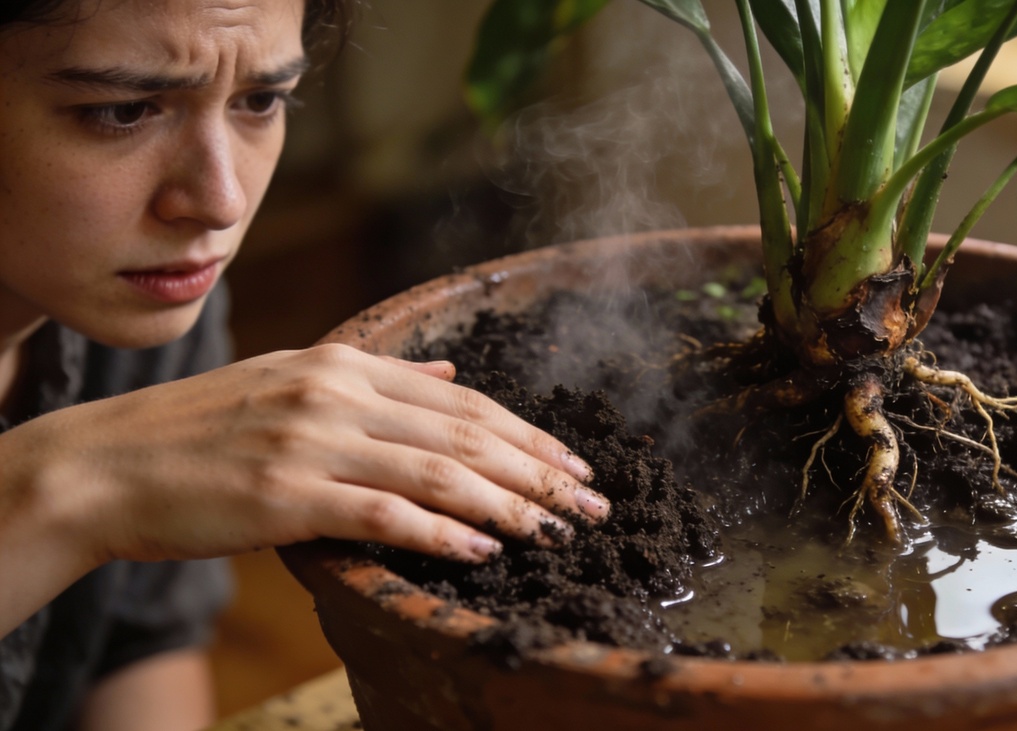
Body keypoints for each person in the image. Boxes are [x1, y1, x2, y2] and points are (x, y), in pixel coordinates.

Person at [0, 1, 611, 728]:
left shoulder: (139, 299)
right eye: (123, 111)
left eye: (260, 101)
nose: (220, 202)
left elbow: (138, 646)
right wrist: (77, 483)